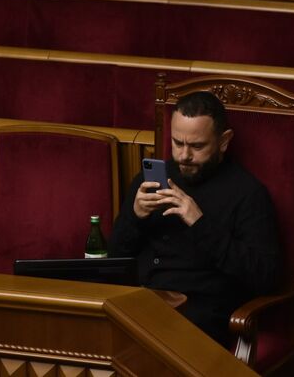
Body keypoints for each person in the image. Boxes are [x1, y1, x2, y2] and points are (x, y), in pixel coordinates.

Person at [108, 91, 281, 345]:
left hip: (200, 314)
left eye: (197, 146)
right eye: (177, 143)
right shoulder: (150, 180)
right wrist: (134, 217)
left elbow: (265, 277)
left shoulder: (248, 194)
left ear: (224, 141)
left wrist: (199, 223)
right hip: (142, 302)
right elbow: (113, 259)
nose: (183, 156)